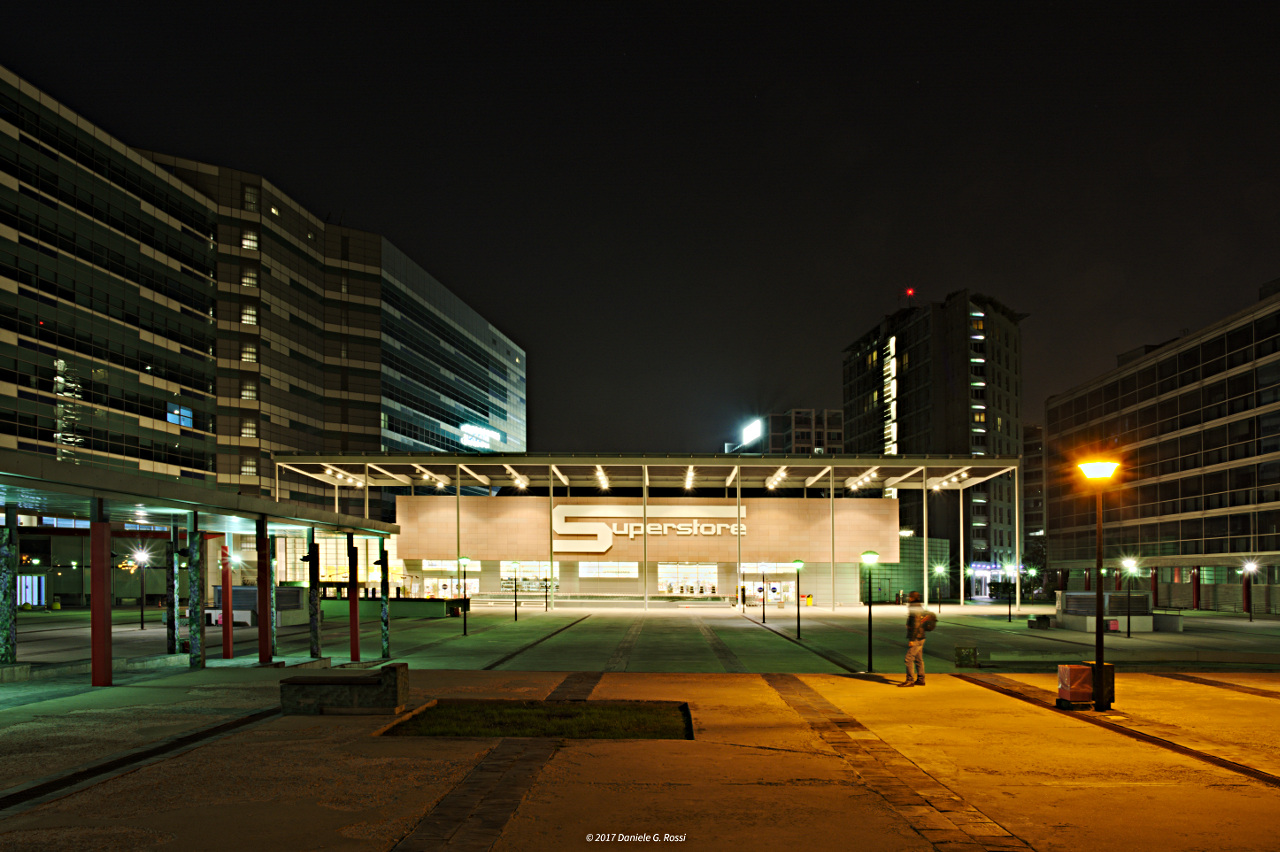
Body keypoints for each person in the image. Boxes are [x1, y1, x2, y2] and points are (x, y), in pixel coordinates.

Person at [900, 591, 927, 687]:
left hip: (917, 637)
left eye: (909, 597)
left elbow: (916, 624)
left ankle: (910, 680)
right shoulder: (919, 606)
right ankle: (921, 679)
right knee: (918, 659)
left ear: (912, 598)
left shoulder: (914, 606)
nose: (908, 598)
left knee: (908, 658)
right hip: (921, 636)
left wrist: (911, 639)